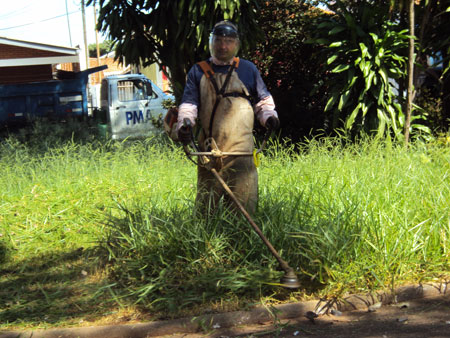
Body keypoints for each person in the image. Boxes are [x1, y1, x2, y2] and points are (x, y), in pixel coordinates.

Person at [177, 20, 279, 215]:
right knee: (207, 210)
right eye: (219, 40)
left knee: (244, 208)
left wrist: (269, 118)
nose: (223, 46)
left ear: (236, 44)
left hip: (242, 153)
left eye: (229, 41)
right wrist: (185, 124)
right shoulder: (198, 71)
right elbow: (189, 105)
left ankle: (241, 243)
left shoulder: (248, 70)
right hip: (209, 152)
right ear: (211, 42)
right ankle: (208, 242)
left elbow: (263, 101)